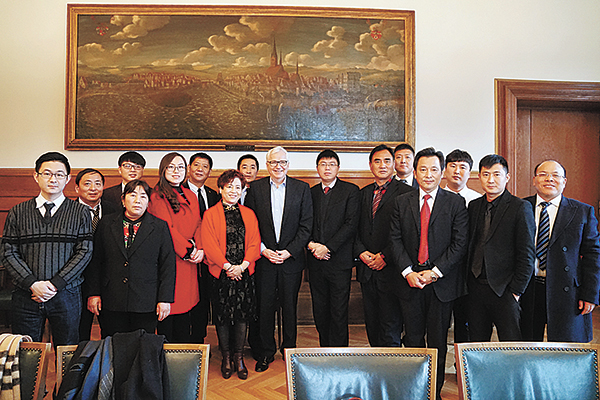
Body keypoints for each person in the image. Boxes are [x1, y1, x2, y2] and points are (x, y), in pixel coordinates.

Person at [390, 147, 468, 396]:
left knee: (437, 340)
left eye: (434, 169)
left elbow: (459, 243)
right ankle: (415, 389)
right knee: (412, 338)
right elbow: (394, 240)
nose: (428, 174)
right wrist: (408, 272)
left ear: (442, 172)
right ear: (415, 172)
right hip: (410, 281)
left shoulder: (455, 202)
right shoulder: (401, 202)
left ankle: (434, 390)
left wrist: (435, 272)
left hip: (440, 284)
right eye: (422, 169)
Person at [0, 152, 93, 345]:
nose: (53, 179)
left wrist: (55, 284)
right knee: (26, 352)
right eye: (47, 173)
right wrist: (33, 283)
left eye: (59, 174)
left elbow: (84, 251)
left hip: (67, 294)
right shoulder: (18, 212)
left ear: (67, 179)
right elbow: (8, 252)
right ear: (36, 176)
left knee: (67, 351)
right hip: (27, 294)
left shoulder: (81, 212)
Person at [245, 146, 313, 372]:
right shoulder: (255, 189)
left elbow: (306, 226)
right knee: (264, 307)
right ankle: (266, 352)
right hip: (264, 259)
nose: (278, 166)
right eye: (274, 162)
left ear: (288, 164)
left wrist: (289, 251)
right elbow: (250, 225)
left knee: (289, 306)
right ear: (267, 165)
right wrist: (263, 250)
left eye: (282, 162)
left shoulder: (302, 188)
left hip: (291, 260)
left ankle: (289, 350)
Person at [521, 160, 600, 342]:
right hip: (528, 289)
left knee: (565, 348)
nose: (549, 179)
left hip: (567, 292)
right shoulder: (520, 207)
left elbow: (593, 255)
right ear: (534, 180)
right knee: (526, 347)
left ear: (564, 182)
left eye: (555, 175)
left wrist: (590, 294)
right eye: (543, 174)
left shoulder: (582, 211)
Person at [87, 180, 176, 337]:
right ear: (123, 199)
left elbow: (167, 265)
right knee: (112, 343)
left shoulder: (159, 227)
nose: (137, 200)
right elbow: (96, 261)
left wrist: (164, 299)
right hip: (112, 298)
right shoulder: (106, 223)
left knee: (142, 344)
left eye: (143, 196)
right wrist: (93, 293)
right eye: (132, 195)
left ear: (148, 202)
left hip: (146, 300)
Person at [466, 154, 535, 342]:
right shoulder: (474, 206)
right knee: (476, 344)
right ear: (479, 177)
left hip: (505, 289)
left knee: (510, 345)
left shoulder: (520, 207)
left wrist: (516, 291)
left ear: (507, 177)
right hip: (475, 287)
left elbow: (527, 254)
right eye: (486, 174)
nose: (491, 180)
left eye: (496, 174)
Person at [201, 170, 261, 380]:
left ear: (243, 190)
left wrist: (242, 266)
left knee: (242, 316)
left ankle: (239, 357)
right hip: (221, 274)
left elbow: (254, 242)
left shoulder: (249, 213)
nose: (234, 191)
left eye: (238, 187)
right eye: (229, 187)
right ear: (220, 189)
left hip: (244, 273)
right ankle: (226, 357)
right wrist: (228, 267)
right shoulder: (210, 214)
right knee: (222, 317)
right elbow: (209, 244)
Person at [354, 144, 413, 347]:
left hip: (392, 269)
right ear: (370, 165)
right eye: (377, 161)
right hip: (366, 269)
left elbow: (407, 233)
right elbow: (354, 228)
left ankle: (391, 364)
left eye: (387, 160)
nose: (382, 165)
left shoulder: (407, 193)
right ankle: (375, 361)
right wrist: (361, 252)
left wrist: (385, 256)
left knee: (391, 325)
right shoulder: (362, 193)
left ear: (394, 164)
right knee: (372, 323)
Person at [148, 152, 203, 342]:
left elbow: (199, 224)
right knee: (169, 313)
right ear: (163, 170)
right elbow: (166, 229)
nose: (176, 171)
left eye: (180, 167)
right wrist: (189, 250)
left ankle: (182, 354)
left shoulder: (190, 194)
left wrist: (200, 248)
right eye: (171, 167)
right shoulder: (156, 196)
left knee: (185, 314)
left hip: (190, 262)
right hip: (171, 260)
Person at [308, 150, 360, 347]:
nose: (327, 168)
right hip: (315, 261)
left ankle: (339, 354)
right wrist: (311, 244)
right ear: (317, 168)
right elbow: (304, 222)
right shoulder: (310, 192)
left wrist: (328, 247)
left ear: (338, 168)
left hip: (339, 261)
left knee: (338, 310)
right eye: (323, 164)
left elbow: (351, 224)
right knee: (320, 309)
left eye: (331, 164)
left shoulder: (350, 191)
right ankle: (324, 350)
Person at [442, 149, 481, 344]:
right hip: (439, 267)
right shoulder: (435, 197)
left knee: (465, 319)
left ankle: (462, 358)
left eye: (463, 167)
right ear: (445, 170)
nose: (457, 171)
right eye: (452, 166)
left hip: (468, 269)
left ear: (470, 172)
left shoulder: (478, 200)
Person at [75, 168, 118, 341]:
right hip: (76, 279)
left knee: (111, 331)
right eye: (87, 184)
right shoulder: (67, 211)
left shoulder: (115, 210)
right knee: (79, 331)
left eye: (98, 184)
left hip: (108, 280)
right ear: (77, 188)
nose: (93, 188)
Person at [184, 152, 220, 343]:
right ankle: (184, 342)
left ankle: (199, 340)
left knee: (204, 298)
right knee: (186, 298)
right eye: (196, 165)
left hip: (209, 257)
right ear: (189, 168)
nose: (200, 169)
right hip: (185, 255)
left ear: (210, 172)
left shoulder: (213, 195)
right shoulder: (178, 192)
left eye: (205, 166)